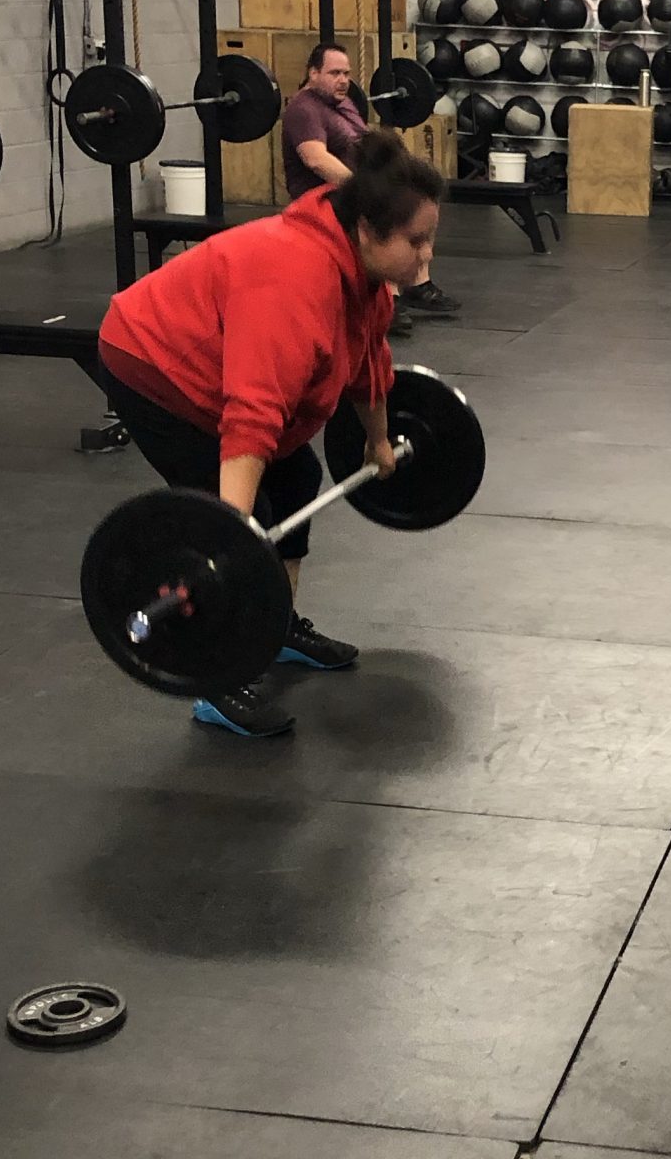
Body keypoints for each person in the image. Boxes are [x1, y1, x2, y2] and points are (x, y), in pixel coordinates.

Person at [99, 130, 444, 737]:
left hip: (213, 357)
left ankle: (275, 626)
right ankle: (217, 674)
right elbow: (253, 414)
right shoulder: (295, 279)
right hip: (152, 360)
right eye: (415, 242)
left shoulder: (362, 279)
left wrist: (377, 441)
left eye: (430, 239)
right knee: (242, 509)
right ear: (367, 231)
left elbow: (369, 367)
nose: (426, 257)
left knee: (299, 476)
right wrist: (228, 534)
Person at [281, 39, 458, 326]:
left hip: (350, 190)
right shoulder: (304, 109)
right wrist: (362, 190)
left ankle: (416, 282)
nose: (343, 80)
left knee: (418, 201)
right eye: (334, 73)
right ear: (313, 73)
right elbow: (316, 159)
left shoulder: (344, 103)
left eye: (346, 74)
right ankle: (389, 298)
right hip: (325, 198)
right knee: (386, 213)